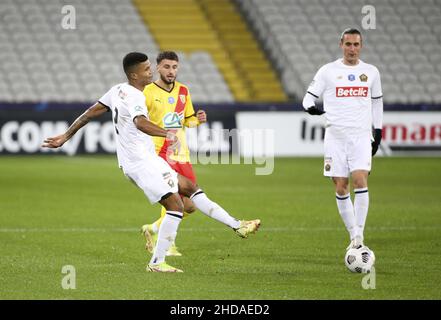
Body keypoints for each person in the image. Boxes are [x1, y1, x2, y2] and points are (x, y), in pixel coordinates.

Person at [42, 52, 260, 273]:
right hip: (141, 164)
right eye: (147, 69)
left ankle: (237, 225)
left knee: (189, 187)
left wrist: (65, 136)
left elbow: (89, 113)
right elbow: (140, 123)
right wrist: (168, 134)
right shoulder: (137, 96)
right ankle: (157, 263)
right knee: (176, 206)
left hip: (146, 160)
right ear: (135, 75)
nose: (151, 71)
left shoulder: (117, 90)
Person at [302, 28, 383, 250]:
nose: (352, 49)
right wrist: (315, 109)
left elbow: (377, 103)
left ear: (361, 46)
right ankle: (353, 233)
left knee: (360, 180)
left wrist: (378, 131)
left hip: (360, 137)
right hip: (335, 137)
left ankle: (358, 237)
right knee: (340, 186)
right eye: (348, 44)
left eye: (356, 45)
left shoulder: (371, 72)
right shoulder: (328, 71)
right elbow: (307, 100)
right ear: (341, 45)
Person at [140, 51, 206, 257]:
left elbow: (187, 120)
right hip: (160, 154)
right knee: (173, 199)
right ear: (158, 68)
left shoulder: (184, 91)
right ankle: (168, 244)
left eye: (174, 67)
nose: (171, 71)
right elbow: (140, 122)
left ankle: (153, 228)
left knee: (191, 205)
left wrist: (198, 120)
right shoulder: (147, 92)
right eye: (167, 67)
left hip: (182, 154)